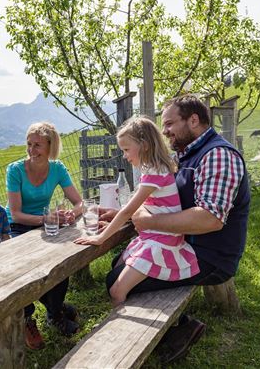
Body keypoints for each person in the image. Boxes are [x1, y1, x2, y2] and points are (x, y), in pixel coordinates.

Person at [101, 95, 250, 363]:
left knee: (117, 282)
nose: (164, 130)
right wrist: (127, 216)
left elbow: (209, 219)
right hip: (183, 244)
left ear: (193, 120)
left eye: (169, 123)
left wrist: (147, 222)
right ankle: (174, 325)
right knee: (118, 264)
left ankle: (179, 329)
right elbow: (160, 201)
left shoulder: (218, 156)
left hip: (210, 256)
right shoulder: (187, 154)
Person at [74, 116, 200, 306]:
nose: (124, 155)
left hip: (161, 243)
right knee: (117, 266)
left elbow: (127, 211)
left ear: (145, 145)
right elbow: (145, 206)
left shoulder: (154, 172)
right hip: (154, 237)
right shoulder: (154, 168)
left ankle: (118, 328)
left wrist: (100, 239)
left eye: (126, 149)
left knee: (117, 290)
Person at [6, 122, 83, 350]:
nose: (31, 150)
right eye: (29, 144)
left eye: (37, 145)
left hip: (47, 226)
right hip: (20, 229)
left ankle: (53, 313)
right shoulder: (15, 170)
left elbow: (79, 202)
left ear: (51, 146)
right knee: (24, 271)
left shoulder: (57, 168)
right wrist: (46, 218)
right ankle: (31, 317)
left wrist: (71, 213)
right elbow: (16, 214)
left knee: (63, 261)